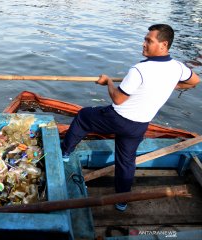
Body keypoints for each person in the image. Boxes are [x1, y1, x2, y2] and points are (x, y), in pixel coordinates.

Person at [60, 24, 200, 211]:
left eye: (149, 41)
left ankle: (65, 153)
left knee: (84, 116)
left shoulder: (139, 70)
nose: (143, 44)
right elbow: (194, 80)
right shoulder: (178, 68)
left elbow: (118, 99)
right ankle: (122, 201)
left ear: (163, 44)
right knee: (126, 161)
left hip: (118, 118)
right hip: (140, 125)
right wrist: (171, 85)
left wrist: (108, 82)